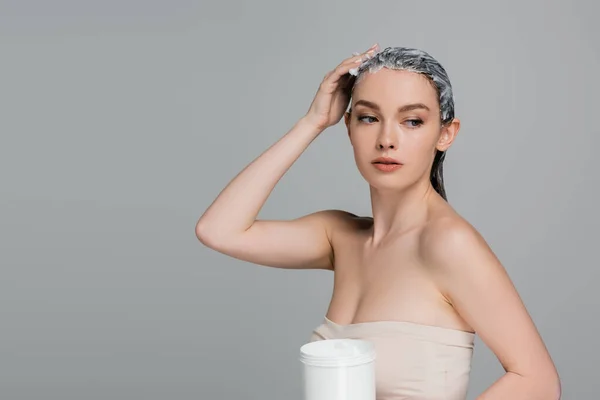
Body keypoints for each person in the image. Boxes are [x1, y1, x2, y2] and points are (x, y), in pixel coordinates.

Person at [195, 44, 561, 400]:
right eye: (369, 117)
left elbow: (538, 382)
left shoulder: (447, 243)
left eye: (412, 121)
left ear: (445, 134)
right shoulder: (340, 236)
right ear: (349, 128)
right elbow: (218, 230)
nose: (387, 139)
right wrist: (313, 122)